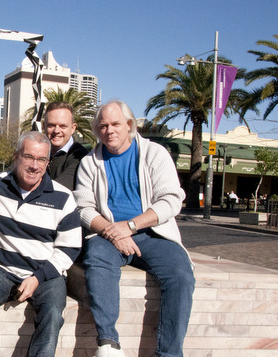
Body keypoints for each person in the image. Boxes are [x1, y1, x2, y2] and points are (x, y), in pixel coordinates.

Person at [73, 100, 195, 357]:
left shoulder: (154, 154)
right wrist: (111, 232)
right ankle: (108, 343)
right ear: (97, 130)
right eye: (103, 125)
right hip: (107, 234)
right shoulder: (89, 162)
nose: (110, 130)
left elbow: (172, 200)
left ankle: (169, 353)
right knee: (96, 259)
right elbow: (83, 209)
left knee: (181, 275)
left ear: (129, 125)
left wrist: (130, 226)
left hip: (153, 233)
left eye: (116, 123)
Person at [0, 131, 82, 357]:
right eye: (29, 157)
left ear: (48, 162)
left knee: (52, 314)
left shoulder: (63, 197)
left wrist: (38, 278)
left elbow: (70, 247)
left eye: (42, 159)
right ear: (16, 156)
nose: (35, 165)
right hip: (3, 269)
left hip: (46, 273)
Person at [44, 102, 89, 190]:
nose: (56, 130)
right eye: (51, 125)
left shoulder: (79, 156)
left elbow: (60, 188)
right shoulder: (36, 151)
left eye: (63, 126)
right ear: (44, 126)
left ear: (73, 128)